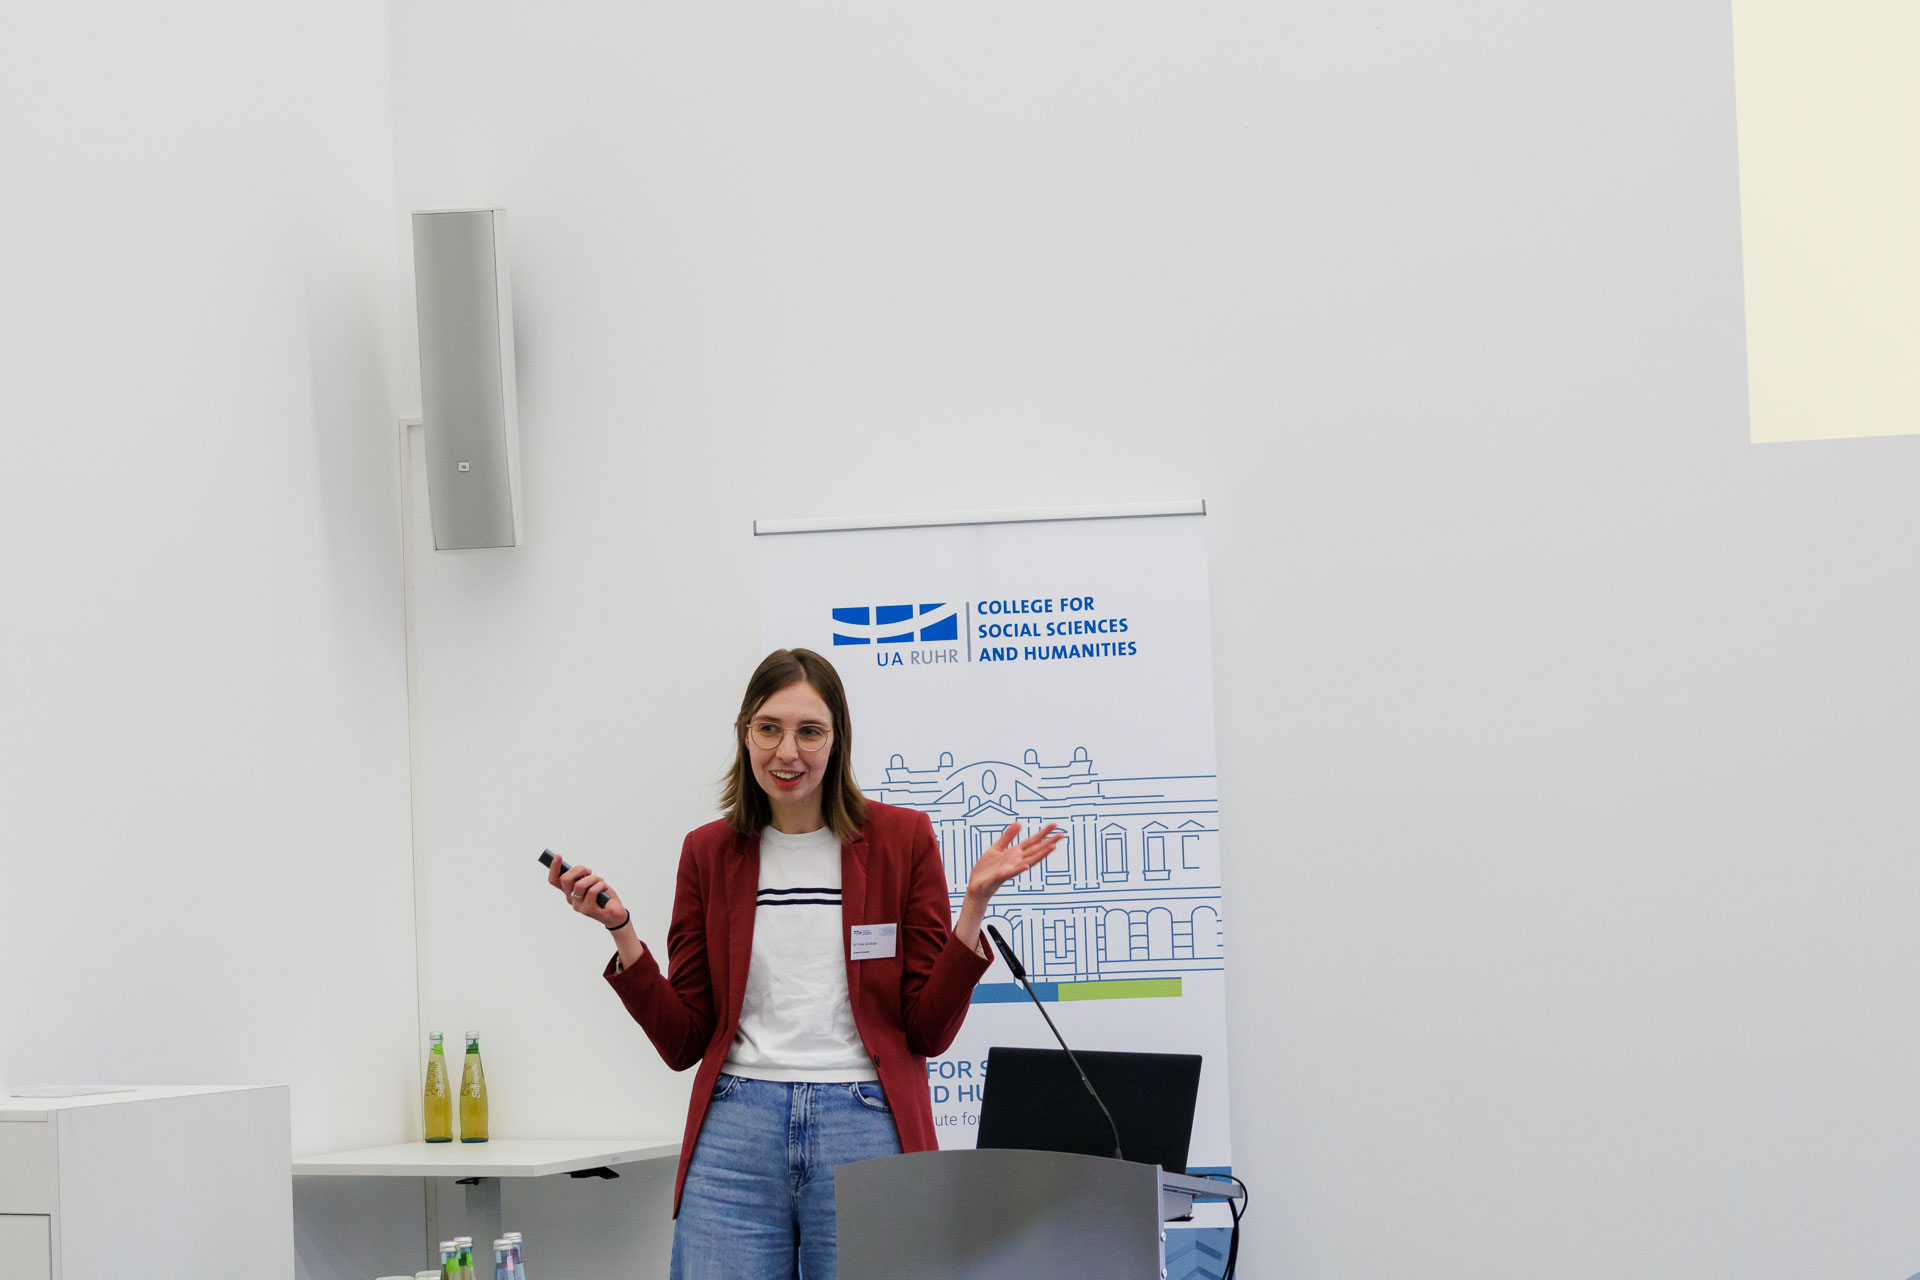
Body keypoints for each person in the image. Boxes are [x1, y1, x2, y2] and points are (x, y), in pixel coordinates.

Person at [548, 647, 1061, 1280]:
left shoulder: (903, 841)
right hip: (736, 1132)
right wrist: (622, 931)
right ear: (745, 735)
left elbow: (927, 1031)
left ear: (836, 741)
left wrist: (973, 908)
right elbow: (684, 1041)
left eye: (809, 731)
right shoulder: (708, 853)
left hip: (866, 1129)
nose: (787, 751)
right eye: (769, 728)